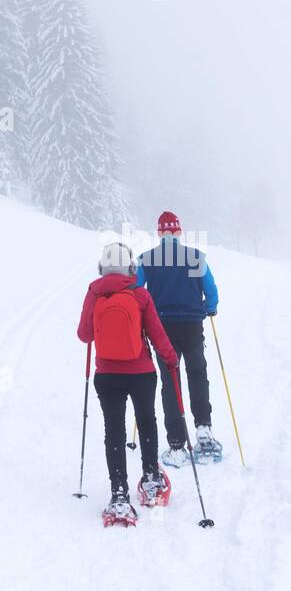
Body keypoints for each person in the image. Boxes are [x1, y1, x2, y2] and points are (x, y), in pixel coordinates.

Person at [77, 241, 179, 524]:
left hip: (107, 375)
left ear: (102, 267)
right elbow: (157, 334)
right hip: (141, 373)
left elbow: (84, 335)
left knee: (114, 430)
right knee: (146, 421)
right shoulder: (139, 295)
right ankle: (151, 481)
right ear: (130, 267)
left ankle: (119, 495)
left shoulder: (94, 292)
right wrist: (171, 359)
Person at [136, 210, 221, 467]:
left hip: (162, 328)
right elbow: (211, 288)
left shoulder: (147, 259)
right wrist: (210, 307)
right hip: (192, 325)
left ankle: (176, 444)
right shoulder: (195, 256)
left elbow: (137, 291)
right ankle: (203, 429)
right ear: (179, 232)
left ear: (160, 233)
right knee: (197, 373)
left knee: (170, 380)